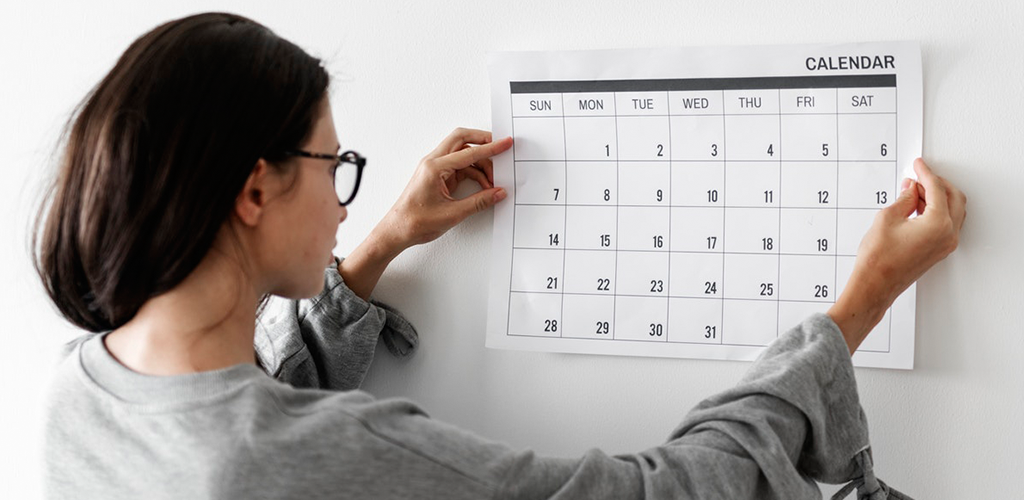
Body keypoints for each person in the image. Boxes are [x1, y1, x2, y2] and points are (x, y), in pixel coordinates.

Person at [36, 12, 965, 500]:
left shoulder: (83, 390)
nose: (343, 198)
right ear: (253, 192)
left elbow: (250, 404)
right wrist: (860, 301)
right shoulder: (309, 459)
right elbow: (669, 496)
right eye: (333, 165)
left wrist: (382, 242)